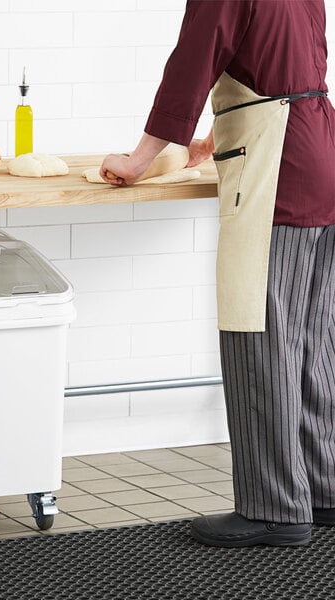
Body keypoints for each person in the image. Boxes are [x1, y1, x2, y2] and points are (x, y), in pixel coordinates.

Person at [101, 0, 335, 547]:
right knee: (312, 340)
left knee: (260, 334)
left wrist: (139, 160)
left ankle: (274, 508)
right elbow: (287, 71)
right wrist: (218, 137)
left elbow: (192, 66)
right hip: (318, 150)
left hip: (278, 169)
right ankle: (323, 489)